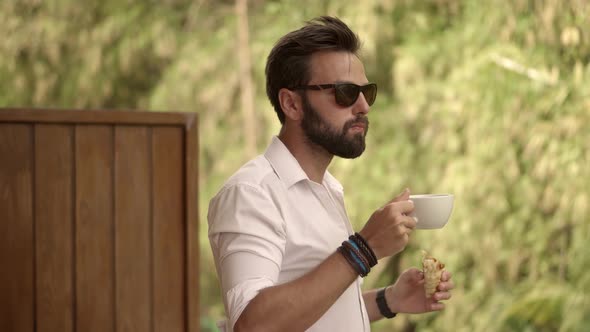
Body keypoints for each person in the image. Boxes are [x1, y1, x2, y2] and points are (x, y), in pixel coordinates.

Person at [207, 16, 454, 331]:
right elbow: (253, 324)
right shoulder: (251, 193)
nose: (363, 105)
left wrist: (389, 300)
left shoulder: (326, 189)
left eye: (367, 92)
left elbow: (314, 311)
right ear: (292, 104)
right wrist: (365, 249)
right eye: (345, 93)